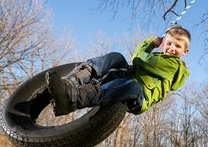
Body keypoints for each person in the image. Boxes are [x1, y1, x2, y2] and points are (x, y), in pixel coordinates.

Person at [46, 25, 191, 116]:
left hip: (138, 97)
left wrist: (150, 43)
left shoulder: (173, 65)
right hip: (129, 78)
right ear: (163, 44)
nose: (172, 48)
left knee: (133, 86)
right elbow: (138, 61)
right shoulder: (160, 57)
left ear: (185, 51)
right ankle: (70, 83)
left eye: (178, 46)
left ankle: (73, 99)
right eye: (169, 43)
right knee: (116, 57)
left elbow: (138, 58)